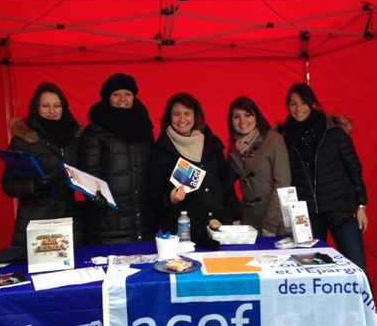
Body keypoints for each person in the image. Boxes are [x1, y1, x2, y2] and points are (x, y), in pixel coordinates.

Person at [279, 82, 368, 270]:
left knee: (357, 267)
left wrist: (361, 205)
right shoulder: (283, 137)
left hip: (341, 212)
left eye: (303, 103)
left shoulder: (333, 131)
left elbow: (354, 169)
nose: (298, 108)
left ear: (312, 104)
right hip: (309, 218)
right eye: (293, 104)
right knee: (313, 272)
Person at [149, 92, 241, 247]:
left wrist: (235, 217)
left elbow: (226, 185)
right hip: (184, 236)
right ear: (169, 117)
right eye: (176, 114)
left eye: (187, 113)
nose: (182, 119)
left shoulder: (211, 143)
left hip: (220, 229)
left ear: (195, 116)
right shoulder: (161, 150)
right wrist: (170, 198)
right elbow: (152, 194)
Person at [1, 82, 84, 246]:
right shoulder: (23, 141)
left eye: (56, 106)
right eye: (45, 106)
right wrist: (34, 185)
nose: (52, 111)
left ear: (63, 108)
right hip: (35, 224)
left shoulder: (75, 138)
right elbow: (8, 184)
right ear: (36, 108)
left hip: (69, 221)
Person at [79, 73, 155, 243]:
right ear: (108, 98)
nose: (123, 99)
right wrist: (98, 200)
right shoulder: (95, 131)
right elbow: (88, 173)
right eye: (116, 94)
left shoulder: (144, 127)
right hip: (108, 224)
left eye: (127, 94)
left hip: (143, 222)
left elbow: (152, 170)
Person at [227, 96, 291, 237]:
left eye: (247, 115)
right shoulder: (233, 148)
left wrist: (271, 223)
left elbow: (282, 183)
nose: (242, 121)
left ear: (256, 117)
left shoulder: (274, 140)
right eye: (236, 117)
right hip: (247, 222)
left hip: (275, 220)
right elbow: (225, 184)